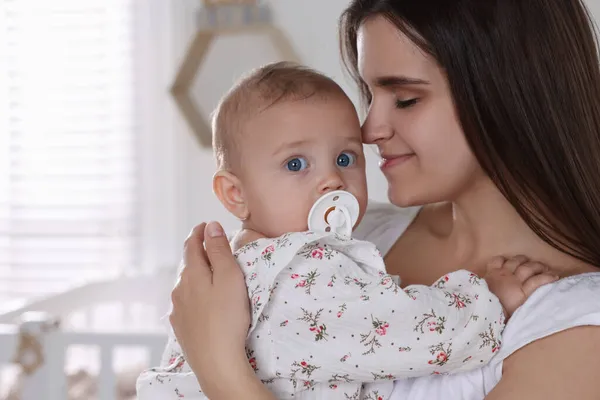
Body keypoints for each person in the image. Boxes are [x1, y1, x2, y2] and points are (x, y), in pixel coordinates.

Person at [166, 0, 600, 399]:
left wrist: (219, 366)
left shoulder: (577, 324)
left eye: (406, 99)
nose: (369, 129)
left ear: (508, 95)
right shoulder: (352, 233)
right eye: (370, 95)